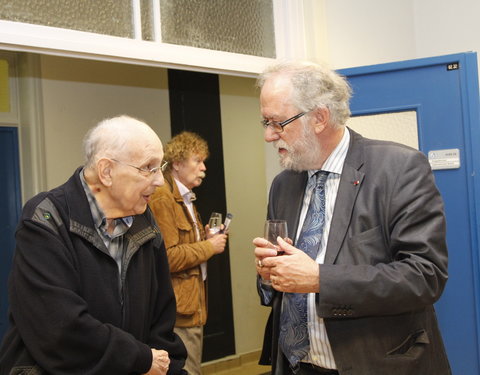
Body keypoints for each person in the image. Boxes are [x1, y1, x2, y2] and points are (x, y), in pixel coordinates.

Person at [253, 61, 451, 375]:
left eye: (277, 123)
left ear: (319, 118)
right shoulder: (284, 184)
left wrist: (319, 279)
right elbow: (280, 282)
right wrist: (270, 274)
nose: (268, 135)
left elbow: (424, 276)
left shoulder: (399, 169)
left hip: (375, 364)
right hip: (297, 365)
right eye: (265, 122)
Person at [0, 115, 187, 375]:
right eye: (149, 168)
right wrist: (140, 359)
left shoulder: (144, 220)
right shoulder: (46, 217)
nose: (158, 181)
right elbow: (59, 328)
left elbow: (161, 322)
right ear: (106, 171)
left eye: (160, 167)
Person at [149, 131, 227, 375]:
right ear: (177, 163)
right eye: (197, 161)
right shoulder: (163, 198)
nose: (203, 167)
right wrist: (209, 247)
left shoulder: (185, 197)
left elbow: (181, 243)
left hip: (190, 306)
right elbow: (167, 257)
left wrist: (205, 237)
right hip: (178, 312)